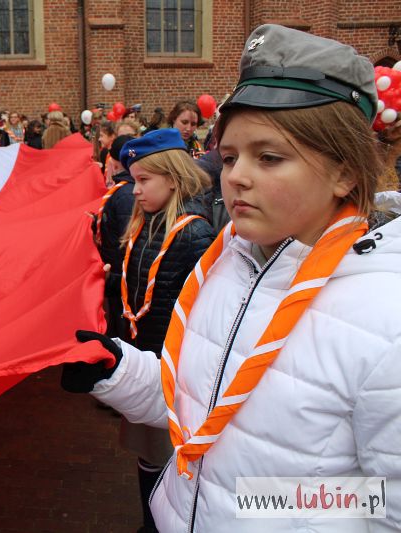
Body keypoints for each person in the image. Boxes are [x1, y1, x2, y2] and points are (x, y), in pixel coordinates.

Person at [62, 25, 401, 532]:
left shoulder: (386, 318)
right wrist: (121, 372)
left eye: (269, 157)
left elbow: (384, 506)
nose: (236, 176)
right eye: (229, 157)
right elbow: (205, 404)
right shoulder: (230, 262)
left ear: (344, 173)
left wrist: (250, 505)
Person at [115, 129, 215, 532]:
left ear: (172, 177)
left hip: (171, 368)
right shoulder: (144, 225)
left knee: (165, 458)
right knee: (147, 454)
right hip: (145, 359)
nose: (134, 190)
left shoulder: (194, 234)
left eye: (143, 180)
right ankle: (149, 520)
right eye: (132, 180)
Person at [95, 134, 136, 339]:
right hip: (117, 272)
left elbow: (127, 237)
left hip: (120, 272)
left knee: (121, 326)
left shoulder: (125, 194)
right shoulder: (123, 192)